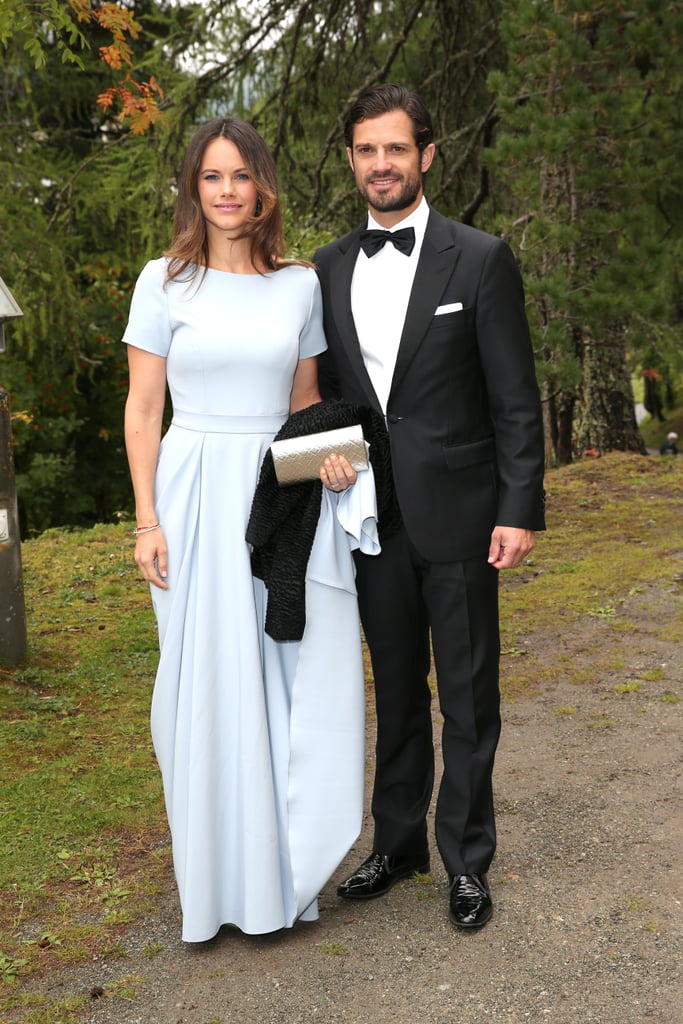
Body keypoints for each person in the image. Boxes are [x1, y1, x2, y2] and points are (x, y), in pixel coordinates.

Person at [122, 117, 377, 943]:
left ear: (262, 186)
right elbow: (142, 409)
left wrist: (331, 463)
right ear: (193, 189)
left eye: (240, 176)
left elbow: (304, 406)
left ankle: (279, 879)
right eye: (211, 177)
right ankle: (211, 883)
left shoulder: (298, 286)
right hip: (191, 492)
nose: (227, 191)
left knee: (277, 671)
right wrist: (146, 522)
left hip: (274, 497)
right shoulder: (162, 281)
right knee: (200, 682)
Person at [314, 84, 546, 929]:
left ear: (426, 155)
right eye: (367, 150)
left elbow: (515, 399)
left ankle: (466, 859)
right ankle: (397, 841)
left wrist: (517, 508)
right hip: (371, 521)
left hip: (461, 512)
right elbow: (332, 396)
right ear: (351, 159)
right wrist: (322, 460)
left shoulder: (479, 258)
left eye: (396, 150)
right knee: (397, 692)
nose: (382, 165)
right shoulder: (328, 266)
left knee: (467, 692)